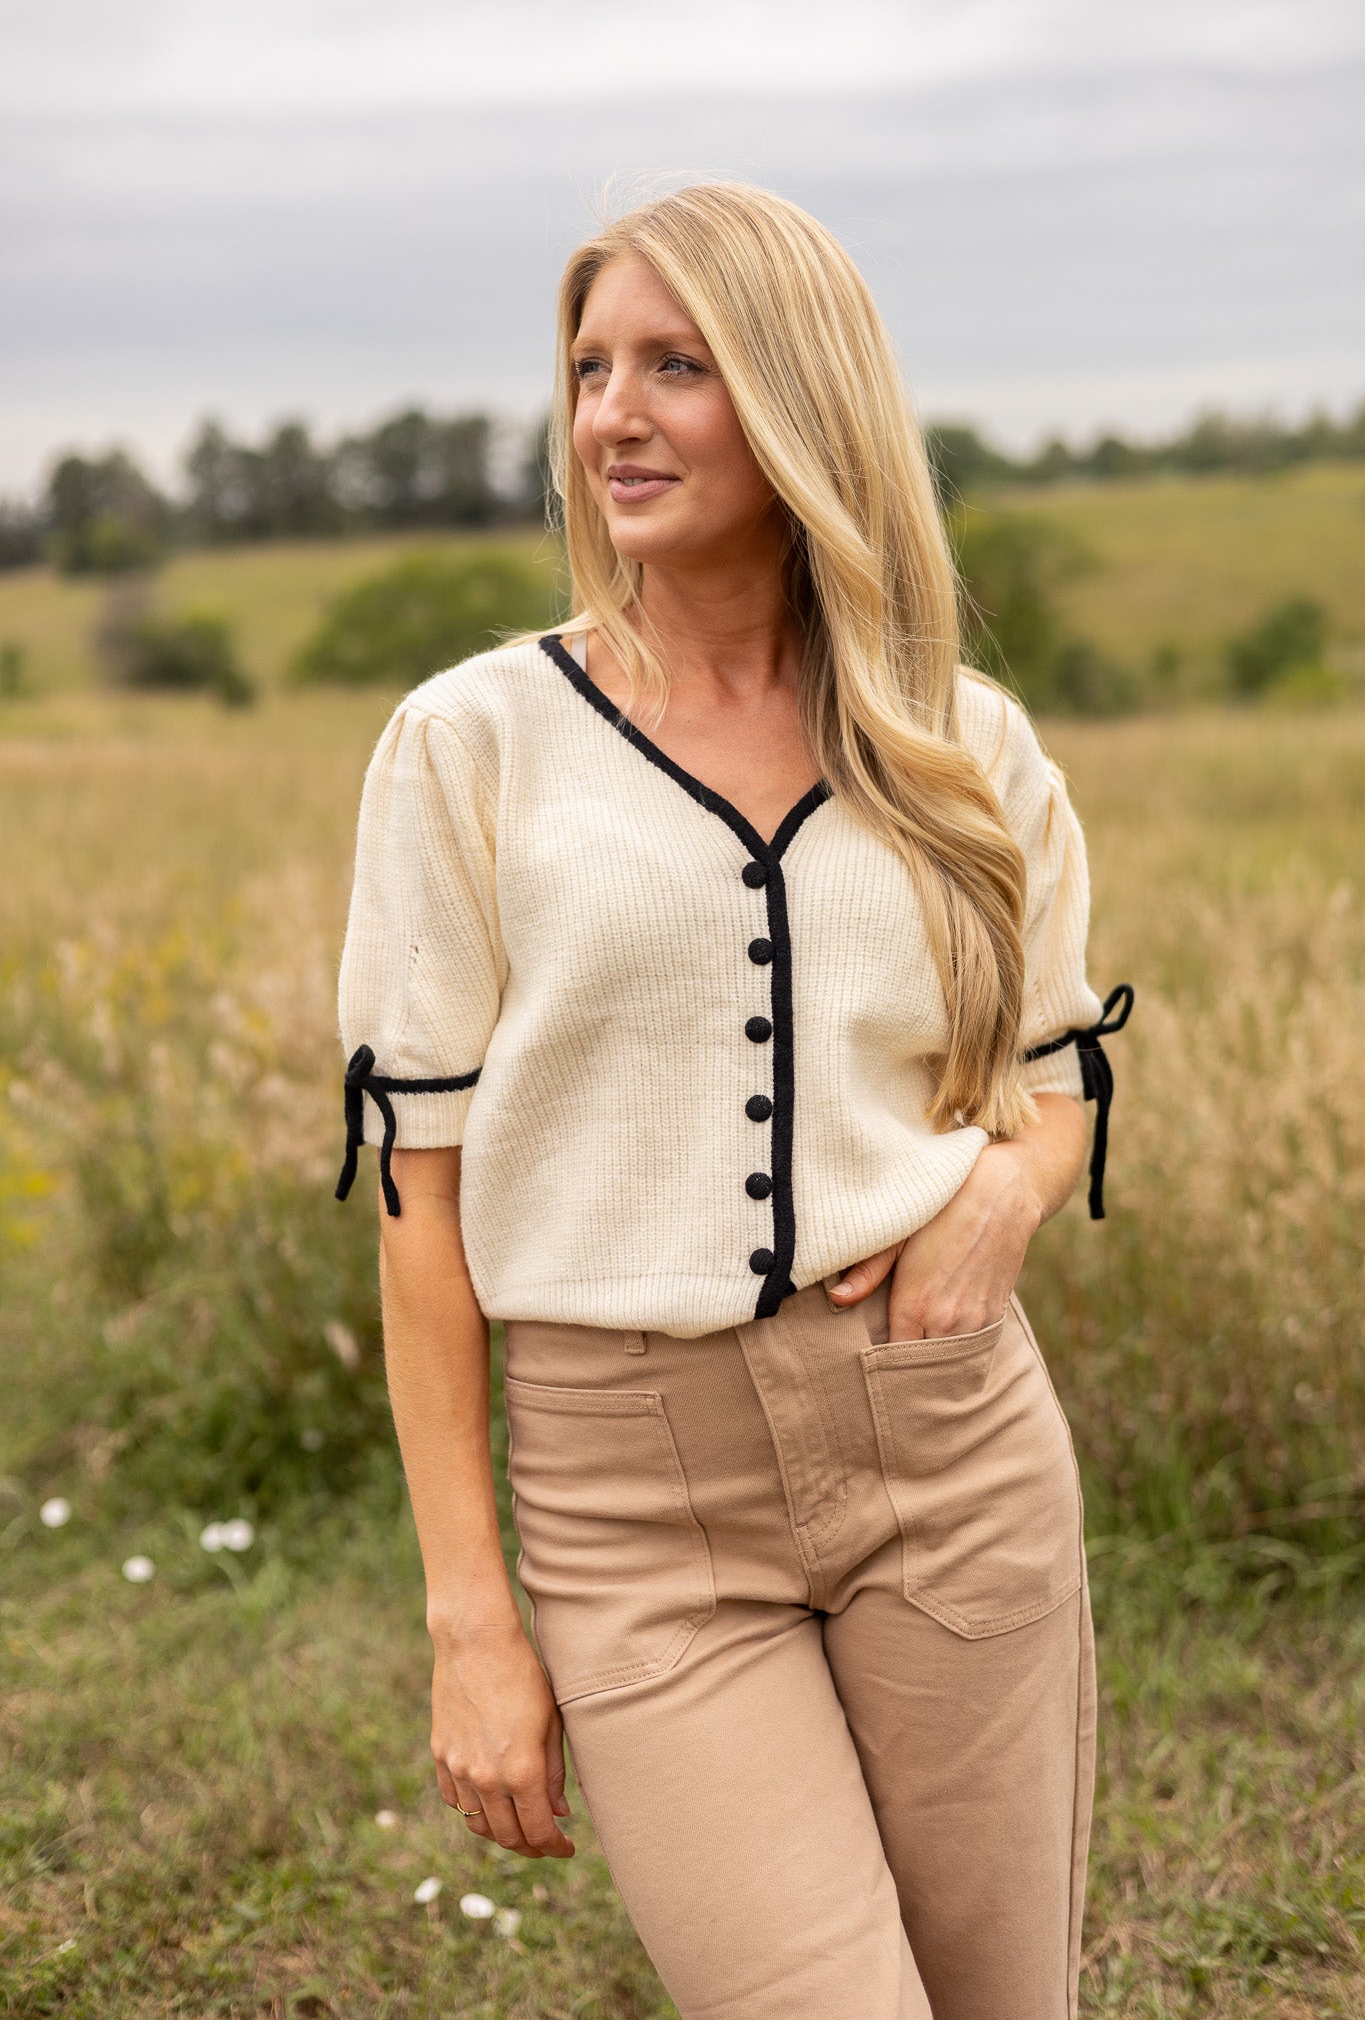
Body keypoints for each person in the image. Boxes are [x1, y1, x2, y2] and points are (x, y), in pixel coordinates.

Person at [335, 181, 1132, 2020]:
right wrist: (473, 1617)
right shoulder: (471, 744)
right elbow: (418, 1198)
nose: (611, 411)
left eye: (674, 366)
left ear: (796, 400)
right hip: (632, 1498)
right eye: (590, 366)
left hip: (949, 1446)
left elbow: (1059, 1071)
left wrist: (1003, 1198)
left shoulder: (964, 743)